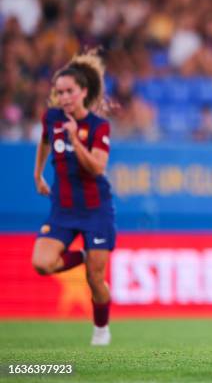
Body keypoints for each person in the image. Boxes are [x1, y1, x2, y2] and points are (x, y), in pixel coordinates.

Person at [32, 50, 115, 346]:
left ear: (83, 92)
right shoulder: (52, 119)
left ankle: (101, 330)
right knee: (42, 263)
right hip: (63, 209)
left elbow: (97, 167)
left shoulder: (97, 126)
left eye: (69, 91)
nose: (64, 97)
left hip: (95, 209)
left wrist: (75, 141)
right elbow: (44, 142)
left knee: (96, 279)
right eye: (59, 92)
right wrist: (38, 173)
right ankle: (80, 255)